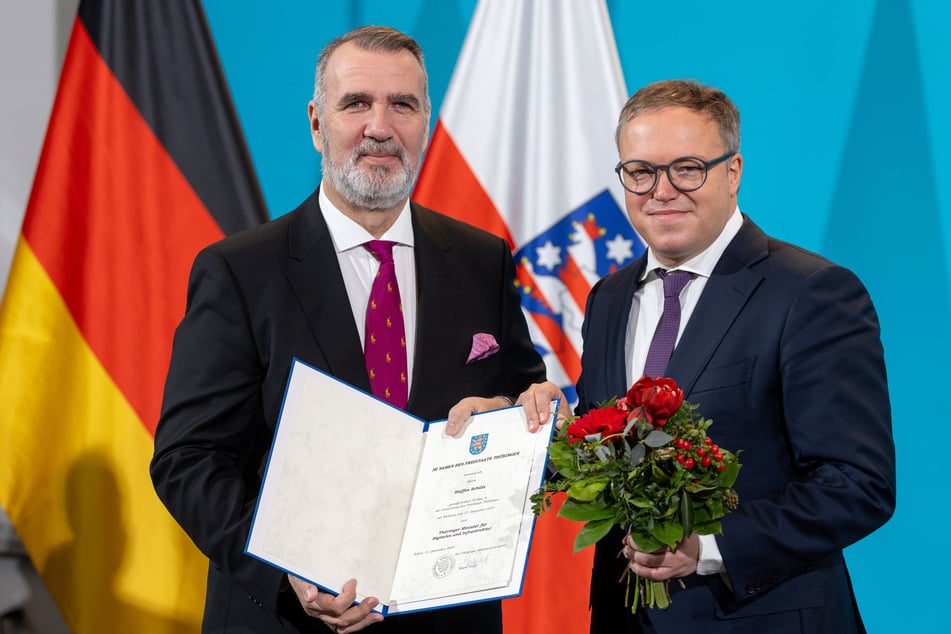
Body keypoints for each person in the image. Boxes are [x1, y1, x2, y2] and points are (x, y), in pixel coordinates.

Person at [150, 26, 545, 634]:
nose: (380, 127)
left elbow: (526, 406)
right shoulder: (238, 270)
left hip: (448, 618)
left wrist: (519, 421)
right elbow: (189, 458)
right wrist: (283, 575)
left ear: (427, 123)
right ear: (316, 121)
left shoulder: (482, 260)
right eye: (356, 103)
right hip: (283, 619)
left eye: (402, 105)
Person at [517, 79, 896, 632]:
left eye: (688, 168)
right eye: (640, 172)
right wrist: (533, 427)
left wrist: (709, 547)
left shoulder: (812, 292)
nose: (662, 190)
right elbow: (610, 456)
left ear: (734, 171)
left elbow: (859, 484)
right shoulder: (610, 297)